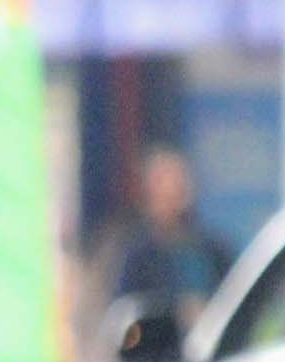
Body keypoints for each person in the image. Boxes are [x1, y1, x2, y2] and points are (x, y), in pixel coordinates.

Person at [94, 145, 234, 343]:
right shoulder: (138, 255)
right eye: (163, 184)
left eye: (178, 184)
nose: (171, 194)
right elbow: (126, 313)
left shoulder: (213, 250)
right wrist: (176, 314)